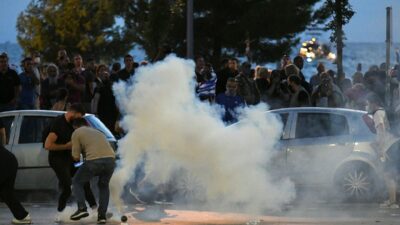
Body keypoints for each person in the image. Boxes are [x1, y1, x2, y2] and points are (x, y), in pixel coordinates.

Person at [44, 104, 96, 222]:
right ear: (73, 112)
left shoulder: (75, 124)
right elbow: (48, 145)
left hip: (72, 158)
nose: (79, 119)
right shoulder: (58, 124)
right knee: (67, 186)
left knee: (84, 182)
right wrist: (66, 146)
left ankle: (95, 210)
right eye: (79, 116)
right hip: (58, 159)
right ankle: (59, 213)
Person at [69, 118, 116, 223]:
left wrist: (79, 152)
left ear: (75, 126)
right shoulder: (98, 132)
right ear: (86, 124)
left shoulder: (76, 132)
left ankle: (82, 208)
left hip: (94, 161)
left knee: (77, 182)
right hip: (111, 160)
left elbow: (75, 156)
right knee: (103, 185)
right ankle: (102, 216)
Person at [366, 94, 400, 209]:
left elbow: (381, 128)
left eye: (368, 103)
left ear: (373, 103)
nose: (367, 106)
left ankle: (393, 202)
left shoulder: (377, 114)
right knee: (392, 174)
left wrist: (379, 146)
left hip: (390, 146)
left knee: (388, 174)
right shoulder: (383, 111)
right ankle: (392, 200)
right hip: (394, 143)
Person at [0, 118, 32, 224]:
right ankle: (23, 216)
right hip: (9, 159)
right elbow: (3, 134)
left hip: (3, 161)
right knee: (6, 192)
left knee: (6, 192)